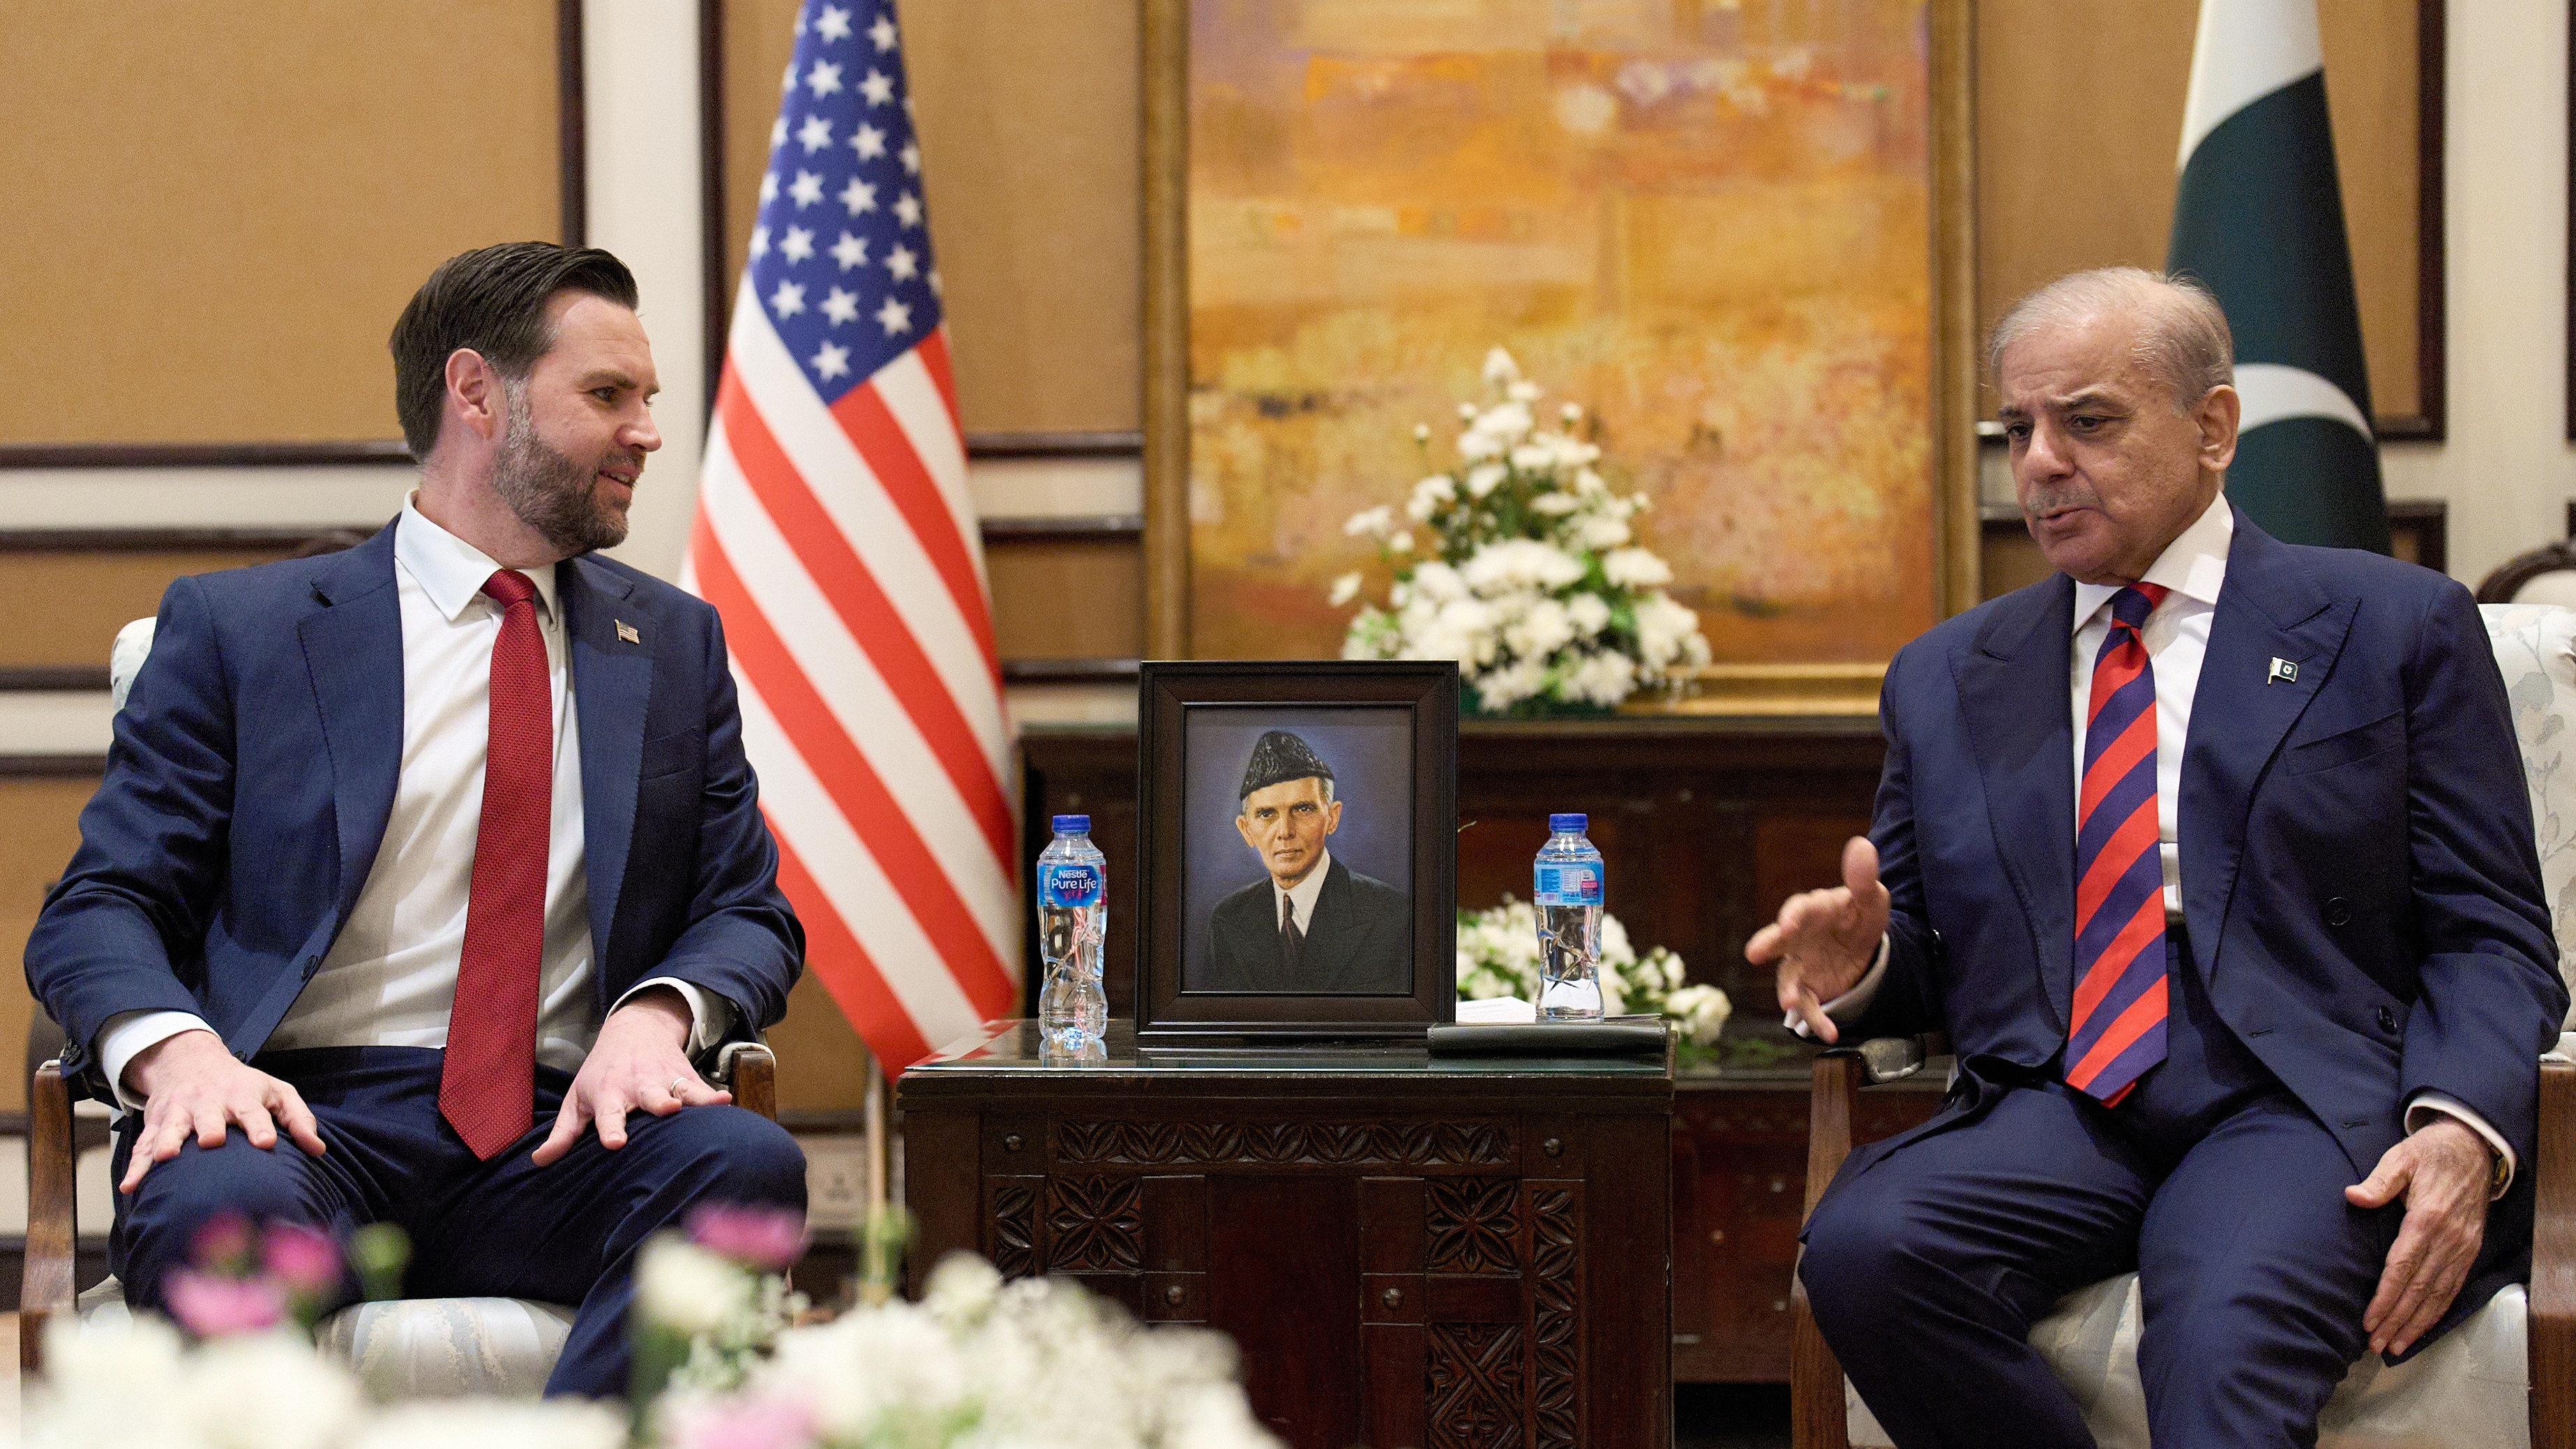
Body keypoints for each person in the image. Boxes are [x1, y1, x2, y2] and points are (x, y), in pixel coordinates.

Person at [1753, 268, 2568, 1448]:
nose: (2037, 459)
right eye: (2016, 428)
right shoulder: (1945, 674)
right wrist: (1862, 966)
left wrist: (2454, 1127)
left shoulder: (2386, 624)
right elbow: (1925, 952)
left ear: (2211, 429)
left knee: (2222, 1326)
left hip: (2299, 1088)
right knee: (1866, 1248)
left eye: (2084, 421)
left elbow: (2489, 934)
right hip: (2062, 1084)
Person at [24, 241, 807, 1399]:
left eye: (648, 400)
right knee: (208, 1195)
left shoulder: (673, 645)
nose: (646, 430)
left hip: (560, 1129)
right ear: (476, 392)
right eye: (607, 395)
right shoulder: (245, 633)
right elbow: (101, 906)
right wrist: (182, 1057)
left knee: (742, 1162)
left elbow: (744, 909)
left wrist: (656, 1014)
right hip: (297, 1120)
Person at [1198, 730, 1411, 993]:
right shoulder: (1228, 919)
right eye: (1266, 814)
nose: (1285, 831)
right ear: (1246, 830)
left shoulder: (1390, 913)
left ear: (1332, 817)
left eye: (1303, 809)